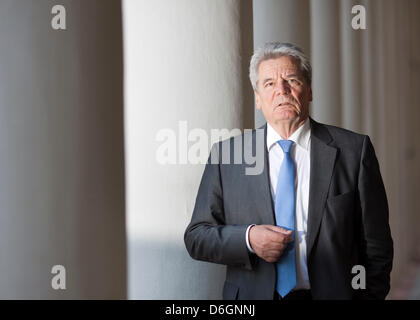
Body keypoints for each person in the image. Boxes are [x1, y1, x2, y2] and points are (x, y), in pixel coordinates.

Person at [184, 42, 393, 300]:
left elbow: (376, 244)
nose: (281, 91)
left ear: (309, 90)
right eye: (269, 84)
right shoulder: (227, 156)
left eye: (291, 80)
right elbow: (196, 237)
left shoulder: (353, 150)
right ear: (258, 99)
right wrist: (248, 239)